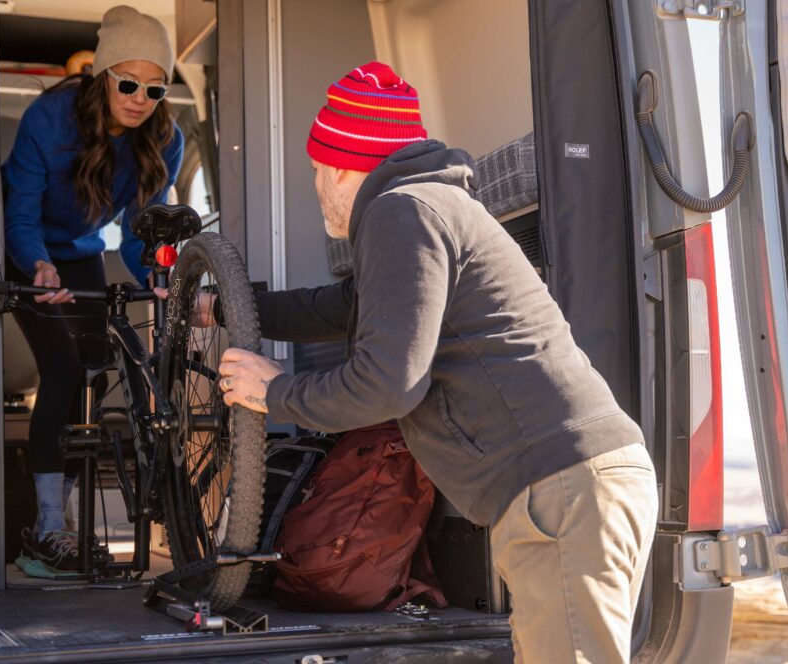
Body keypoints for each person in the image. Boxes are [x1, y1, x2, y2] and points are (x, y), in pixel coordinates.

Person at [213, 62, 658, 663]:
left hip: (565, 494)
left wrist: (275, 392)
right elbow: (344, 307)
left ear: (345, 167)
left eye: (318, 167)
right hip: (575, 486)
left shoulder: (401, 211)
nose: (315, 181)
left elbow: (386, 386)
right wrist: (229, 309)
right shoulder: (427, 205)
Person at [2, 5, 183, 574]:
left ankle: (70, 521)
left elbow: (139, 233)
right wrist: (36, 267)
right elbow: (20, 217)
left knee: (94, 373)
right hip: (27, 253)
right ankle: (46, 530)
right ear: (103, 75)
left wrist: (157, 276)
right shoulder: (49, 120)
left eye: (155, 88)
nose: (139, 98)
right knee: (59, 369)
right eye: (128, 83)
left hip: (79, 257)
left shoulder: (165, 139)